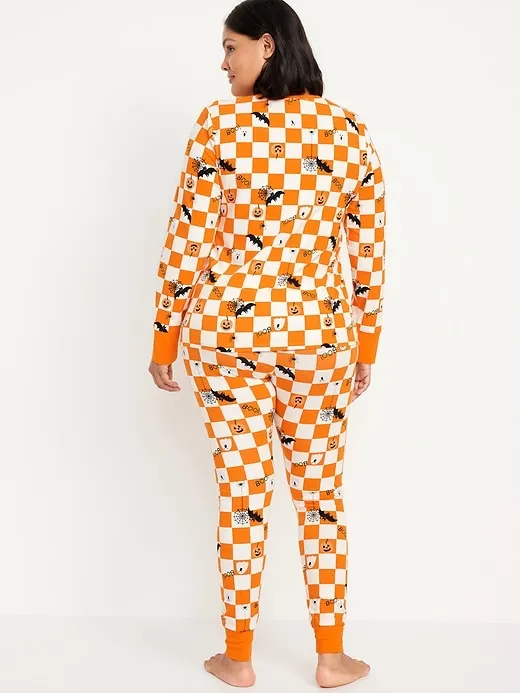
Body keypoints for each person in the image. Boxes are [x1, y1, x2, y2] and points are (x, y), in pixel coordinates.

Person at [148, 0, 385, 687]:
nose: (223, 63)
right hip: (321, 343)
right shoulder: (348, 130)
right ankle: (331, 658)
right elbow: (368, 249)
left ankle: (239, 657)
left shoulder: (217, 126)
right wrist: (366, 344)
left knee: (242, 495)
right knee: (321, 497)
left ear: (268, 46)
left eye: (231, 47)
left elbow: (186, 238)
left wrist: (164, 336)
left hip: (226, 339)